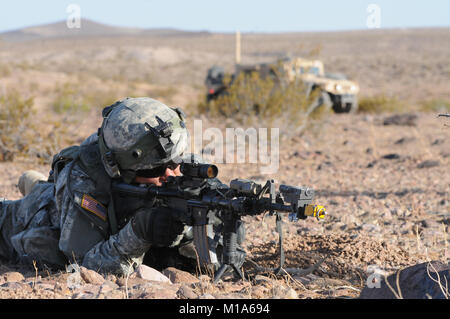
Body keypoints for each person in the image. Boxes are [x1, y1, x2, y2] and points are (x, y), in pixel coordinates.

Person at [0, 97, 244, 276]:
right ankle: (35, 187)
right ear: (122, 171)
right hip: (41, 215)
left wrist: (227, 215)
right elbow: (81, 265)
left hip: (70, 196)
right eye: (156, 170)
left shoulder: (167, 156)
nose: (172, 174)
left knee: (41, 187)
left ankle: (32, 182)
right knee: (24, 210)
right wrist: (138, 232)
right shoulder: (85, 179)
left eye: (177, 161)